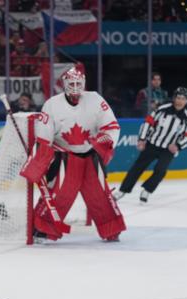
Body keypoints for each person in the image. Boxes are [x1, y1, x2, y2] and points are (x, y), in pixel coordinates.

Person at [20, 65, 126, 242]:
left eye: (79, 83)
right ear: (64, 84)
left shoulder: (95, 99)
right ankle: (43, 228)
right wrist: (39, 164)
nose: (75, 88)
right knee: (61, 193)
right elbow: (44, 138)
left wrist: (104, 140)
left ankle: (111, 229)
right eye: (72, 83)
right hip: (65, 157)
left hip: (91, 155)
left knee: (100, 195)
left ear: (84, 83)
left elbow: (111, 126)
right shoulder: (52, 105)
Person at [114, 87, 187, 203]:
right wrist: (142, 139)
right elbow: (148, 122)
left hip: (168, 150)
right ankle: (122, 191)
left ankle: (147, 190)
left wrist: (178, 145)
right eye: (178, 98)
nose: (180, 101)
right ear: (174, 98)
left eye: (183, 99)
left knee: (161, 171)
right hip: (152, 144)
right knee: (137, 168)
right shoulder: (162, 109)